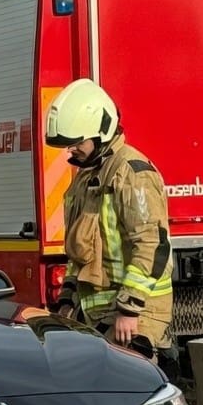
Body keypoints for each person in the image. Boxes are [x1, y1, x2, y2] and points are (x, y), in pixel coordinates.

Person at [45, 78, 175, 364]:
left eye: (77, 142)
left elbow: (152, 246)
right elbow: (78, 251)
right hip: (99, 316)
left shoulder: (131, 174)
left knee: (132, 395)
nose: (72, 150)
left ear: (101, 132)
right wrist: (67, 299)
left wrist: (129, 308)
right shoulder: (86, 177)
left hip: (134, 318)